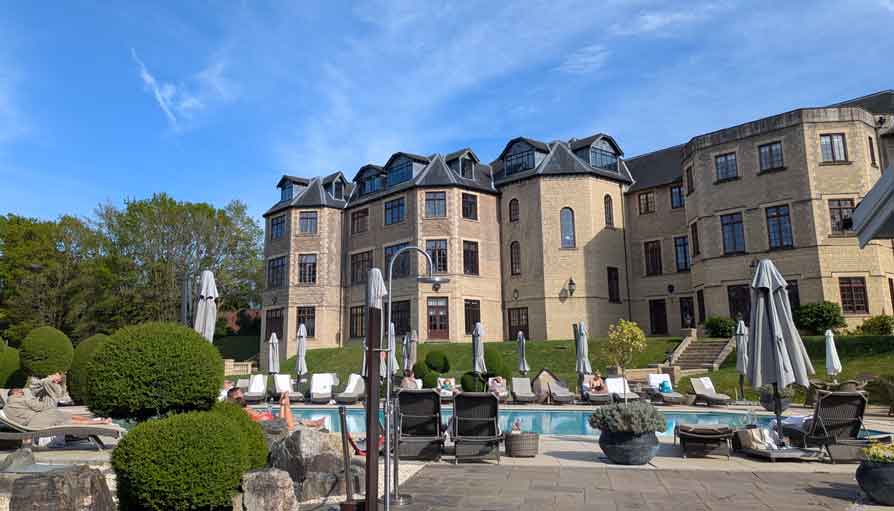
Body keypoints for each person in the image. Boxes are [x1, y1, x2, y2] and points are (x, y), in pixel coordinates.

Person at [5, 373, 111, 429]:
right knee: (62, 417)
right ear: (15, 393)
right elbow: (39, 407)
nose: (22, 392)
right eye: (21, 392)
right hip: (35, 422)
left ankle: (97, 420)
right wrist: (47, 401)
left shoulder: (7, 407)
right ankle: (99, 421)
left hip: (32, 422)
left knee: (63, 416)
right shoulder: (20, 399)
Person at [226, 387, 325, 430]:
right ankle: (285, 403)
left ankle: (284, 403)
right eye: (240, 395)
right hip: (269, 424)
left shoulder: (245, 407)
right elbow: (255, 421)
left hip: (271, 420)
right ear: (234, 398)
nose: (243, 396)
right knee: (289, 424)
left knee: (293, 419)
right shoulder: (240, 411)